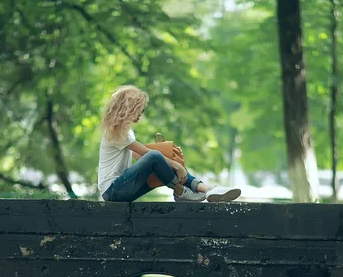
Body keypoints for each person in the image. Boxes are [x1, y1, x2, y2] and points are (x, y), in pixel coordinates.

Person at [97, 85, 241, 203]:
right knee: (155, 156)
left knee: (158, 160)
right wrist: (177, 166)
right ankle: (182, 191)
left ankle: (205, 189)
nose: (141, 113)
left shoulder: (125, 132)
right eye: (140, 108)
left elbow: (139, 158)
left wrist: (164, 166)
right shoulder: (114, 132)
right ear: (129, 108)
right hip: (113, 191)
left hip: (122, 190)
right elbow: (147, 154)